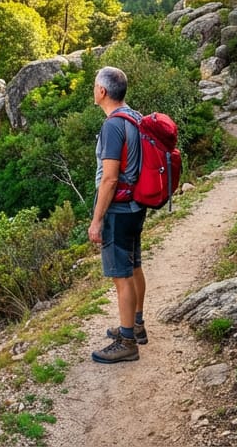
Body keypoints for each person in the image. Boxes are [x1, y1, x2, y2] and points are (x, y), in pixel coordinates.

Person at [88, 65, 147, 364]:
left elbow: (109, 178)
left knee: (121, 276)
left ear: (102, 91)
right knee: (134, 266)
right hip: (137, 206)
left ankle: (127, 342)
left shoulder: (112, 125)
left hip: (119, 209)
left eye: (94, 86)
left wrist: (97, 220)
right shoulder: (135, 117)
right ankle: (136, 324)